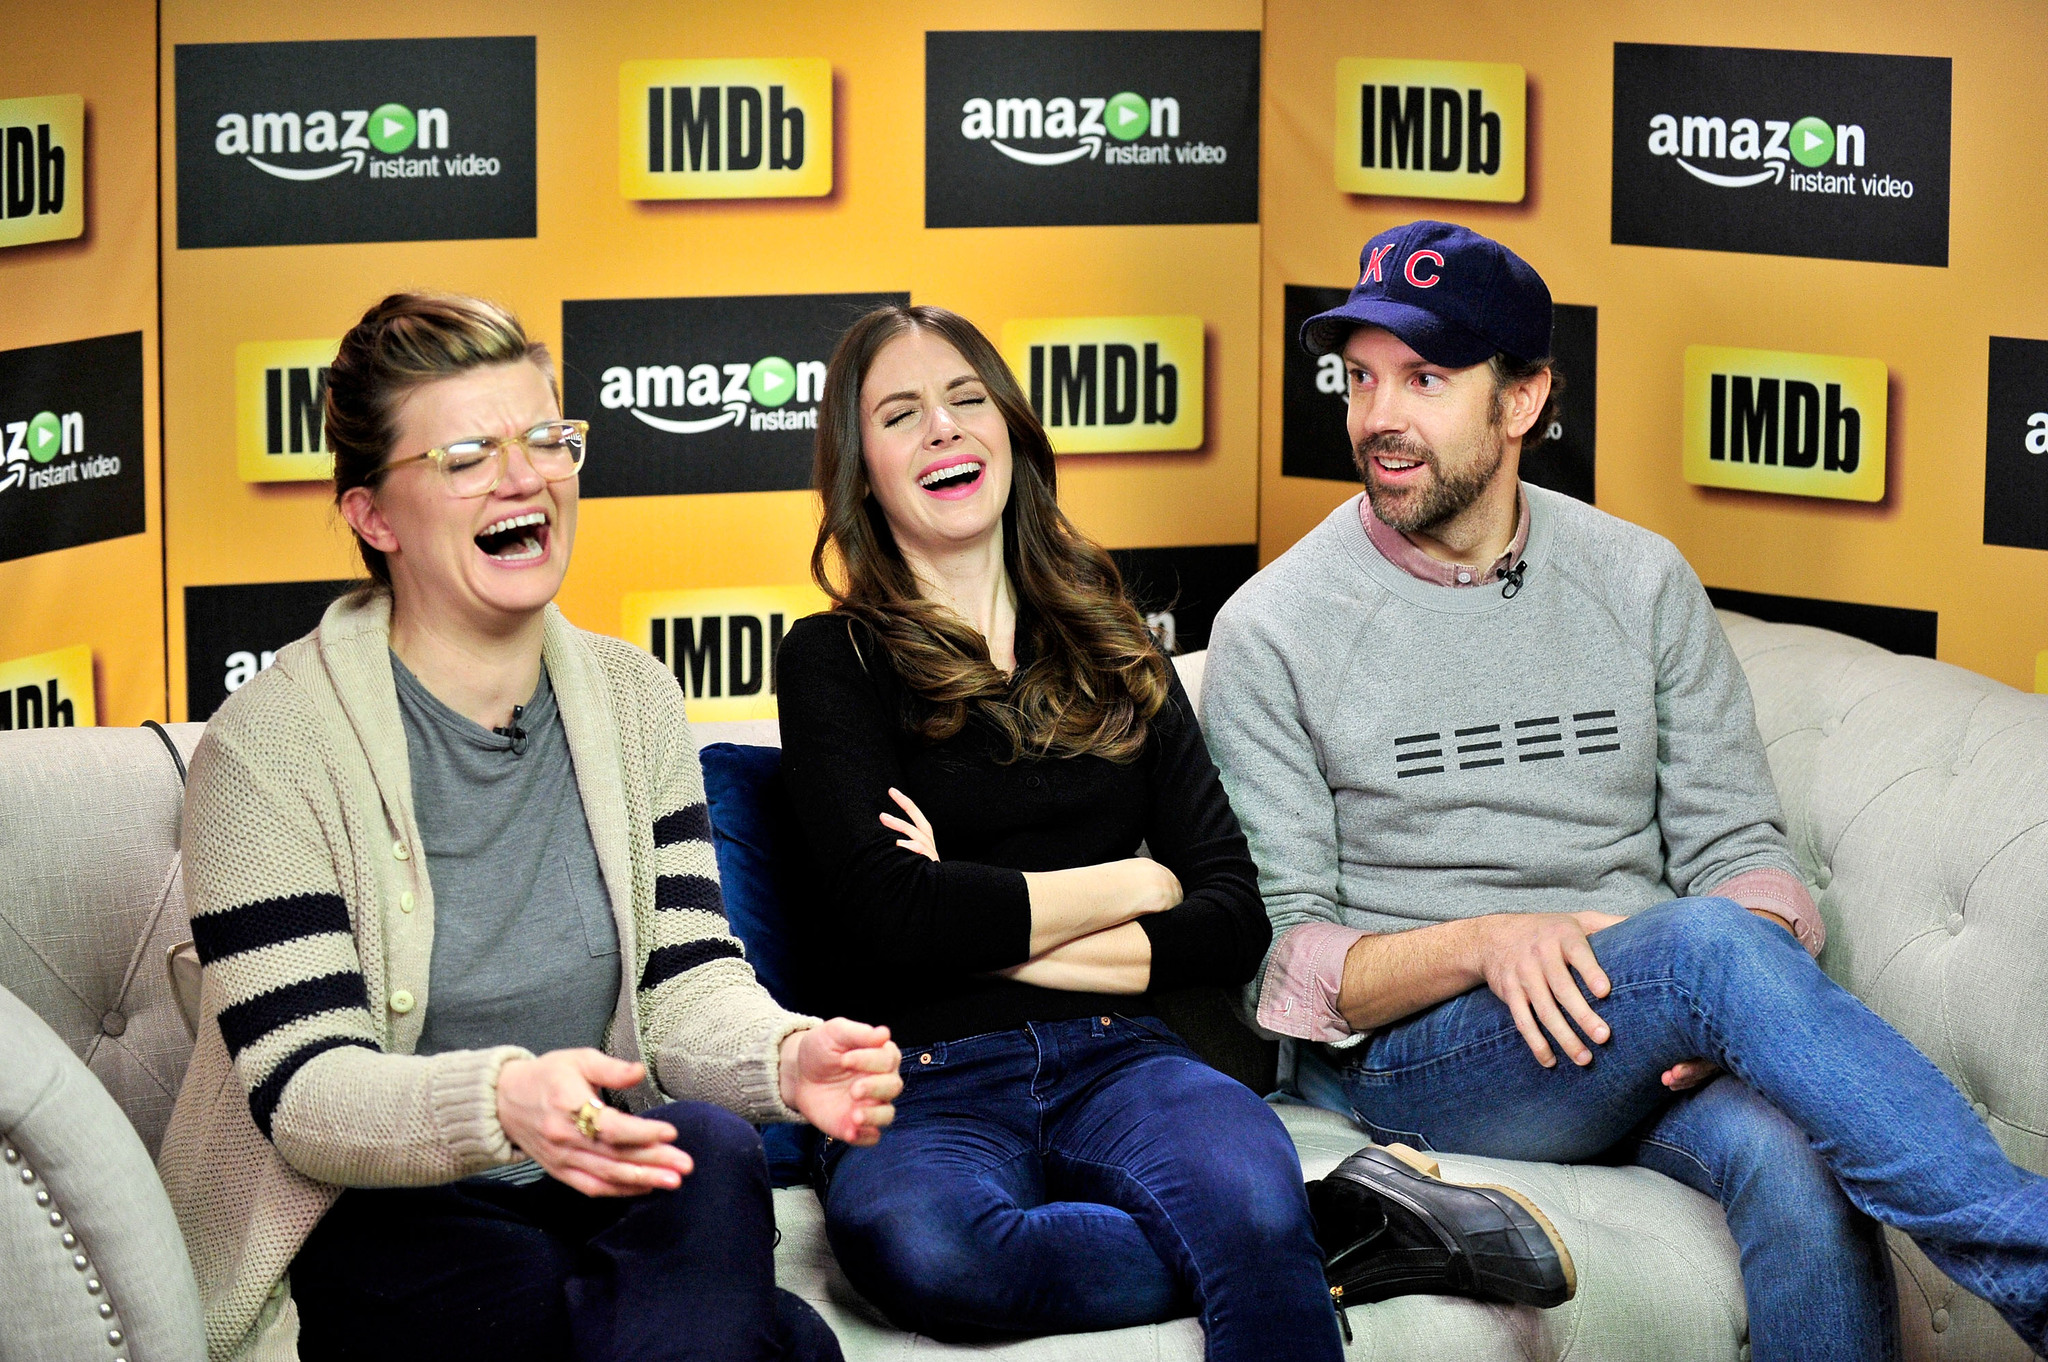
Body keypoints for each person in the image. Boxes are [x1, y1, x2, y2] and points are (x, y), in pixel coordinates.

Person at [1201, 219, 2048, 1362]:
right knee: (1698, 951)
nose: (1375, 418)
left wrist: (1721, 1010)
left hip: (1625, 1032)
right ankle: (2031, 1267)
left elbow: (1740, 852)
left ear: (1521, 399)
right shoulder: (1272, 628)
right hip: (1418, 1062)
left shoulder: (1635, 578)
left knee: (1790, 1156)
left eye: (1424, 380)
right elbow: (1288, 971)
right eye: (1359, 379)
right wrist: (1491, 941)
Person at [773, 302, 1574, 1361]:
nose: (942, 430)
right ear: (858, 469)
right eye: (900, 414)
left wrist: (971, 906)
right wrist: (1132, 883)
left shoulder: (1116, 647)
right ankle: (1332, 1230)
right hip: (917, 1074)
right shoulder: (834, 660)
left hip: (1123, 1061)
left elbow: (1230, 916)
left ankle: (1280, 1233)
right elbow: (889, 925)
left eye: (967, 400)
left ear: (1012, 430)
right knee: (933, 1252)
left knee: (1244, 1206)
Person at [156, 292, 902, 1362]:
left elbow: (684, 982)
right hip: (376, 1213)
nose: (526, 477)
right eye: (466, 455)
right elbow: (305, 1089)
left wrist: (784, 1060)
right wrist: (503, 1101)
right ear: (373, 517)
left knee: (713, 1147)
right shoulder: (267, 750)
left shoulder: (631, 696)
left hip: (589, 1175)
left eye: (545, 439)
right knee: (779, 1344)